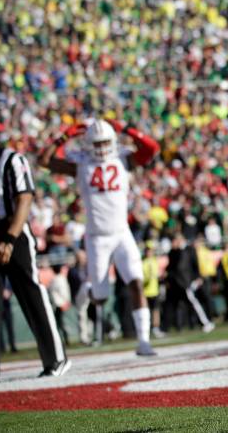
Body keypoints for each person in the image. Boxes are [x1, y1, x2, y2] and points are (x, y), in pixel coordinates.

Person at [0, 107, 67, 388]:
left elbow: (25, 198)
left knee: (31, 294)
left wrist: (9, 238)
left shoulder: (12, 159)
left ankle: (55, 358)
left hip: (12, 230)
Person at [39, 118, 160, 357]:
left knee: (136, 281)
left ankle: (144, 340)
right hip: (96, 238)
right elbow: (43, 160)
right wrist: (64, 136)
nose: (102, 148)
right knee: (101, 297)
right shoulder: (81, 164)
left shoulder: (123, 159)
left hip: (122, 233)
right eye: (97, 143)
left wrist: (126, 127)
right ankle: (87, 291)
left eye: (106, 142)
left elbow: (152, 148)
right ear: (87, 144)